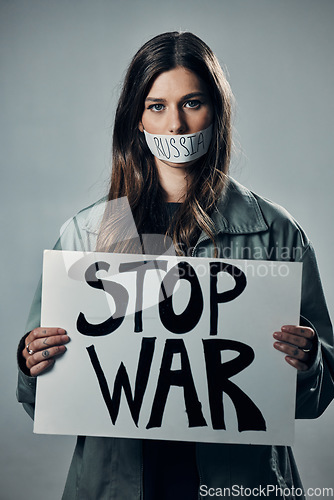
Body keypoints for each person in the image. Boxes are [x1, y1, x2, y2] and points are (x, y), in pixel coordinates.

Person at [17, 31, 334, 500]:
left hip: (239, 483)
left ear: (217, 110)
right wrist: (32, 363)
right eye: (157, 106)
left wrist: (309, 362)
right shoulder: (85, 235)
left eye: (192, 103)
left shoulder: (276, 232)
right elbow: (42, 397)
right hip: (118, 482)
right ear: (136, 118)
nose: (176, 126)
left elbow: (317, 397)